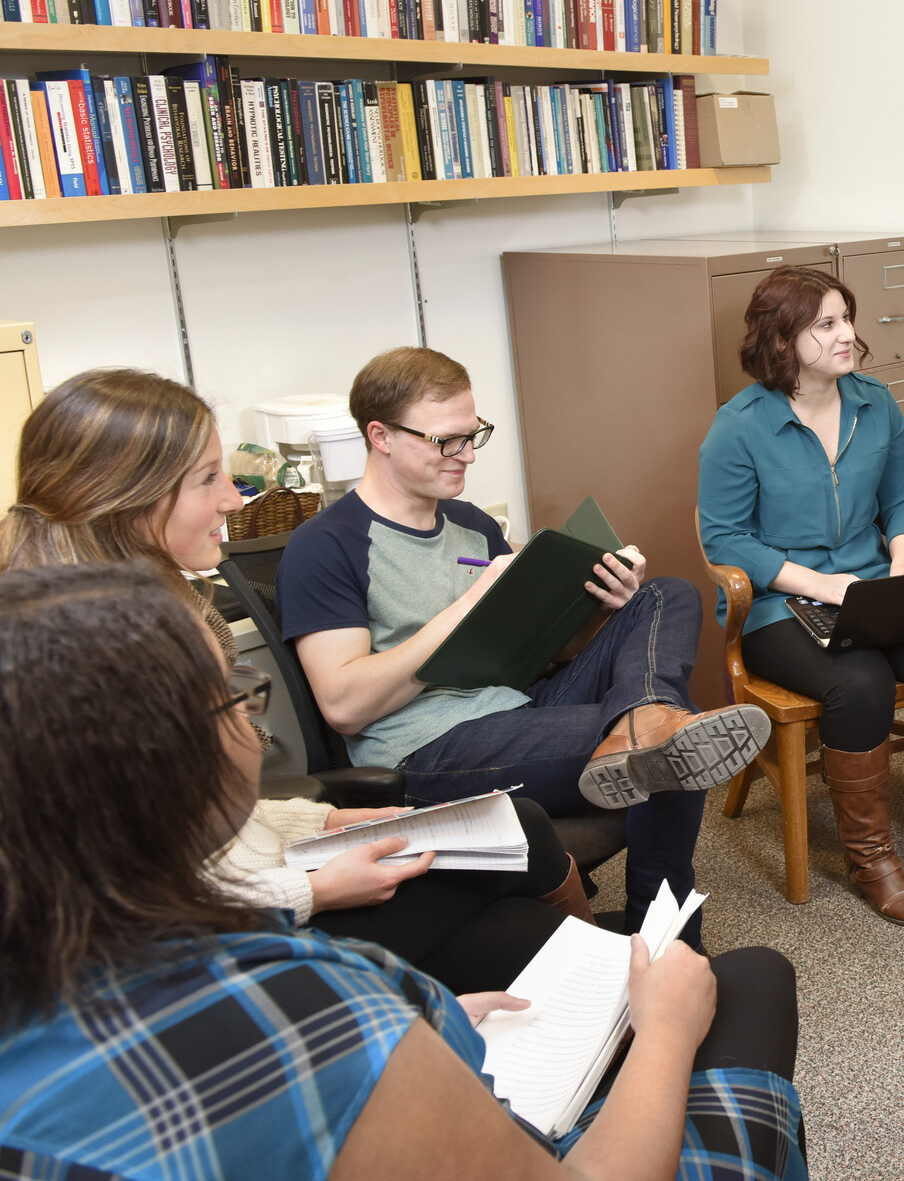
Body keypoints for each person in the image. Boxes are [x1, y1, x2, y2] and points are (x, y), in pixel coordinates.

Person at [0, 561, 807, 1180]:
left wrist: (426, 1023)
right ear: (160, 764)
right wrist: (667, 1027)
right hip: (434, 751)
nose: (255, 723)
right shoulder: (303, 1003)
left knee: (651, 625)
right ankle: (645, 815)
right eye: (236, 698)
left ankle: (638, 728)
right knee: (749, 982)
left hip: (508, 715)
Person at [0, 368, 585, 993]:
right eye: (208, 479)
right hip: (231, 931)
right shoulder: (84, 650)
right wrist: (310, 889)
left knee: (520, 925)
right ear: (124, 495)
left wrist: (318, 825)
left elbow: (201, 822)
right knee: (521, 852)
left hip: (260, 877)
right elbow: (121, 898)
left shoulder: (161, 598)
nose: (232, 498)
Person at [280, 347, 771, 943]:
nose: (465, 455)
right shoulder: (325, 545)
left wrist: (601, 607)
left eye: (472, 435)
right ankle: (666, 944)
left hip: (519, 703)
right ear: (379, 435)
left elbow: (540, 654)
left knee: (663, 594)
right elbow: (344, 704)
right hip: (429, 746)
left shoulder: (472, 525)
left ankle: (648, 716)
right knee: (668, 752)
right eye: (445, 442)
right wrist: (467, 606)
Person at [700, 266, 904, 926]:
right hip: (779, 606)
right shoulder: (738, 428)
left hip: (873, 589)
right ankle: (871, 858)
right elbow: (725, 540)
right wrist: (820, 584)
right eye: (827, 324)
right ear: (783, 341)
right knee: (861, 684)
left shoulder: (874, 403)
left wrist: (902, 568)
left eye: (846, 318)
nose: (848, 335)